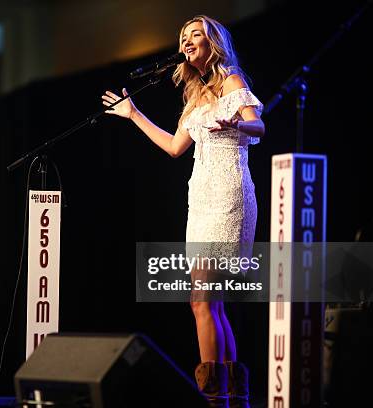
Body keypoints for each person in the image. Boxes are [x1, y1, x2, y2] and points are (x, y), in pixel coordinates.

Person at [101, 15, 265, 408]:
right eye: (184, 37)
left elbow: (259, 127)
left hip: (229, 192)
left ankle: (213, 396)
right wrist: (135, 115)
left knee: (201, 301)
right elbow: (175, 148)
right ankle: (232, 395)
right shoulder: (194, 96)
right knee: (212, 303)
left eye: (196, 36)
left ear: (213, 43)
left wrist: (237, 125)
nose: (188, 42)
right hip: (201, 197)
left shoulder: (232, 80)